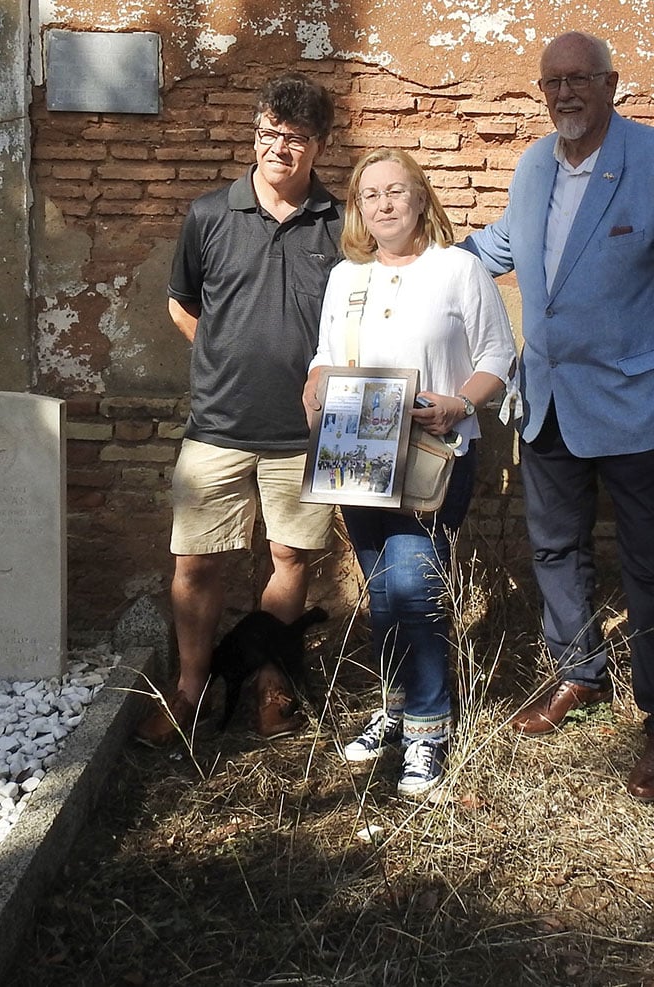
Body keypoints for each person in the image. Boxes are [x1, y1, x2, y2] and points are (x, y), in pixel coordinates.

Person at [462, 31, 654, 801]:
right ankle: (581, 673)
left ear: (612, 84)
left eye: (580, 79)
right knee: (555, 548)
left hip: (635, 403)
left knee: (648, 564)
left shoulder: (647, 160)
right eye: (552, 83)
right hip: (544, 401)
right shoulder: (535, 164)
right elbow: (506, 244)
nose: (565, 93)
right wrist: (421, 262)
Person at [134, 74, 342, 747]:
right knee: (196, 560)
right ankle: (191, 689)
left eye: (296, 139)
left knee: (289, 556)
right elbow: (179, 301)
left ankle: (267, 682)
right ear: (255, 133)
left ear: (319, 146)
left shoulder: (339, 223)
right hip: (218, 424)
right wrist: (220, 355)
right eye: (269, 134)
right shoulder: (210, 214)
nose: (279, 149)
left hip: (302, 429)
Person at [304, 148, 516, 796]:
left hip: (434, 449)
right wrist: (313, 387)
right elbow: (324, 354)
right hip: (357, 451)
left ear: (421, 198)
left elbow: (497, 354)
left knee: (416, 589)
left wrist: (459, 401)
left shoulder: (458, 269)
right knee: (385, 593)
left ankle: (428, 729)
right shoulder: (348, 276)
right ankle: (397, 707)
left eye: (397, 191)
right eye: (371, 195)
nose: (385, 204)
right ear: (358, 209)